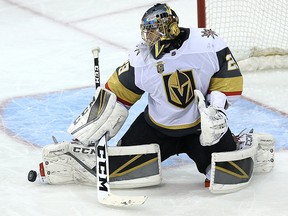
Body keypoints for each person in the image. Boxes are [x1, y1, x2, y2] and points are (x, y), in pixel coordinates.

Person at [102, 3, 243, 186]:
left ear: (169, 29)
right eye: (147, 31)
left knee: (228, 174)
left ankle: (236, 142)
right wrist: (100, 121)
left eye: (153, 31)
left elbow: (229, 80)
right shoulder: (142, 59)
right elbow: (117, 94)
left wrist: (216, 109)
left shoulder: (207, 43)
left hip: (200, 130)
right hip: (156, 129)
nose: (148, 37)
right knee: (117, 170)